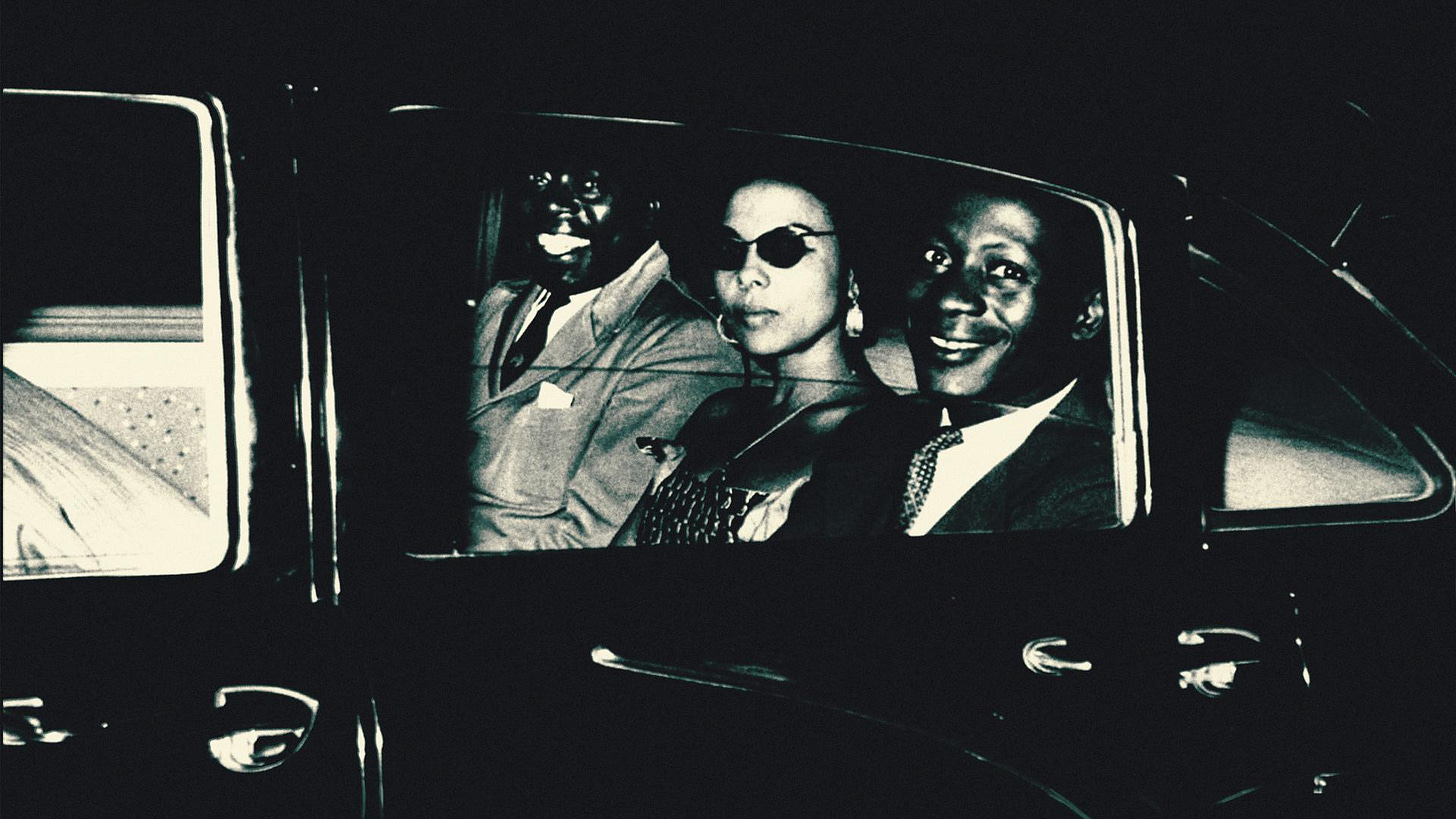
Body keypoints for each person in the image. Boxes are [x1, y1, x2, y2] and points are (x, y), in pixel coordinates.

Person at [777, 187, 1117, 538]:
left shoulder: (1110, 490)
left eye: (1007, 272)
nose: (948, 299)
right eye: (936, 257)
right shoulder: (871, 431)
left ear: (1086, 315)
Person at [465, 153, 741, 551]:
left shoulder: (683, 341)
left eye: (589, 186)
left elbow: (591, 537)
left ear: (648, 211)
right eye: (540, 180)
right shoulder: (499, 303)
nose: (553, 203)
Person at [612, 177, 885, 546]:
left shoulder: (878, 437)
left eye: (785, 248)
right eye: (729, 250)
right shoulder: (720, 411)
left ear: (851, 279)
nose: (746, 274)